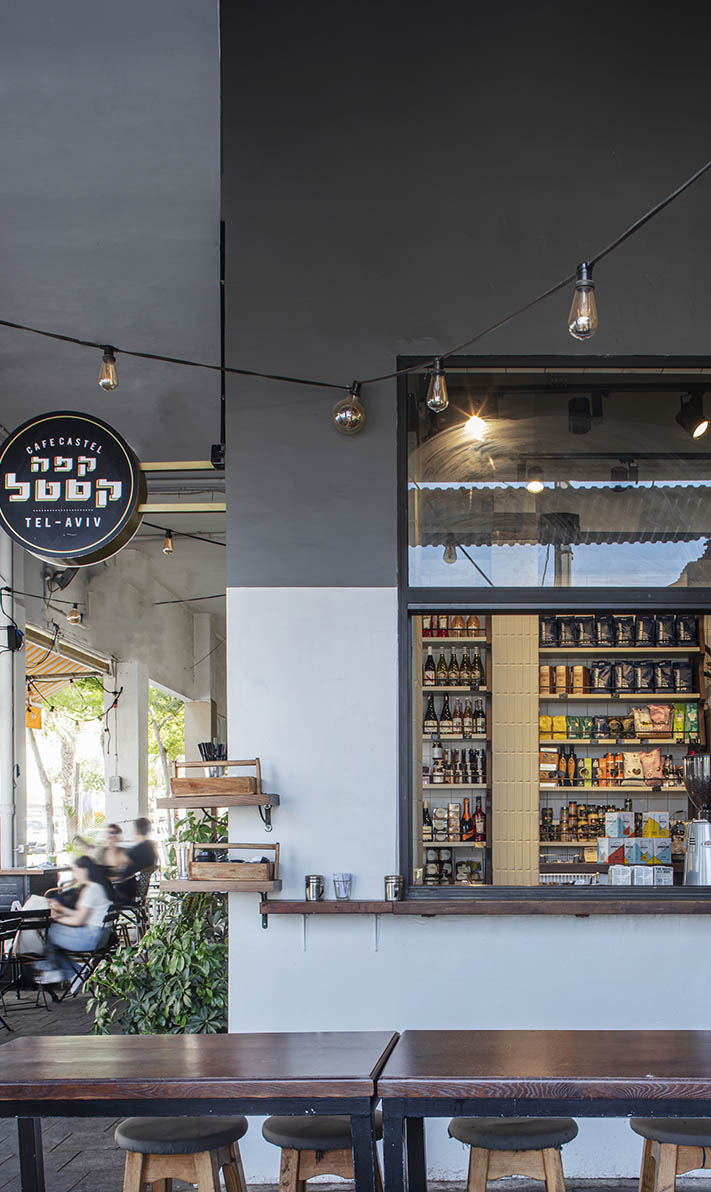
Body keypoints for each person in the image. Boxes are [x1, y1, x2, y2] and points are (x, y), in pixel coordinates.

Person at [35, 856, 113, 986]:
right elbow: (81, 914)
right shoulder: (97, 887)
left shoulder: (91, 889)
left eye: (76, 870)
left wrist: (58, 918)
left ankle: (60, 970)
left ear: (85, 870)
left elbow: (78, 920)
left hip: (92, 937)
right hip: (103, 935)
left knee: (48, 933)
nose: (75, 874)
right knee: (53, 937)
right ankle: (71, 971)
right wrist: (62, 910)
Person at [113, 818, 158, 903]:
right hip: (136, 894)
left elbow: (119, 865)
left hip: (125, 893)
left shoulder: (137, 850)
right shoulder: (151, 849)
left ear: (136, 831)